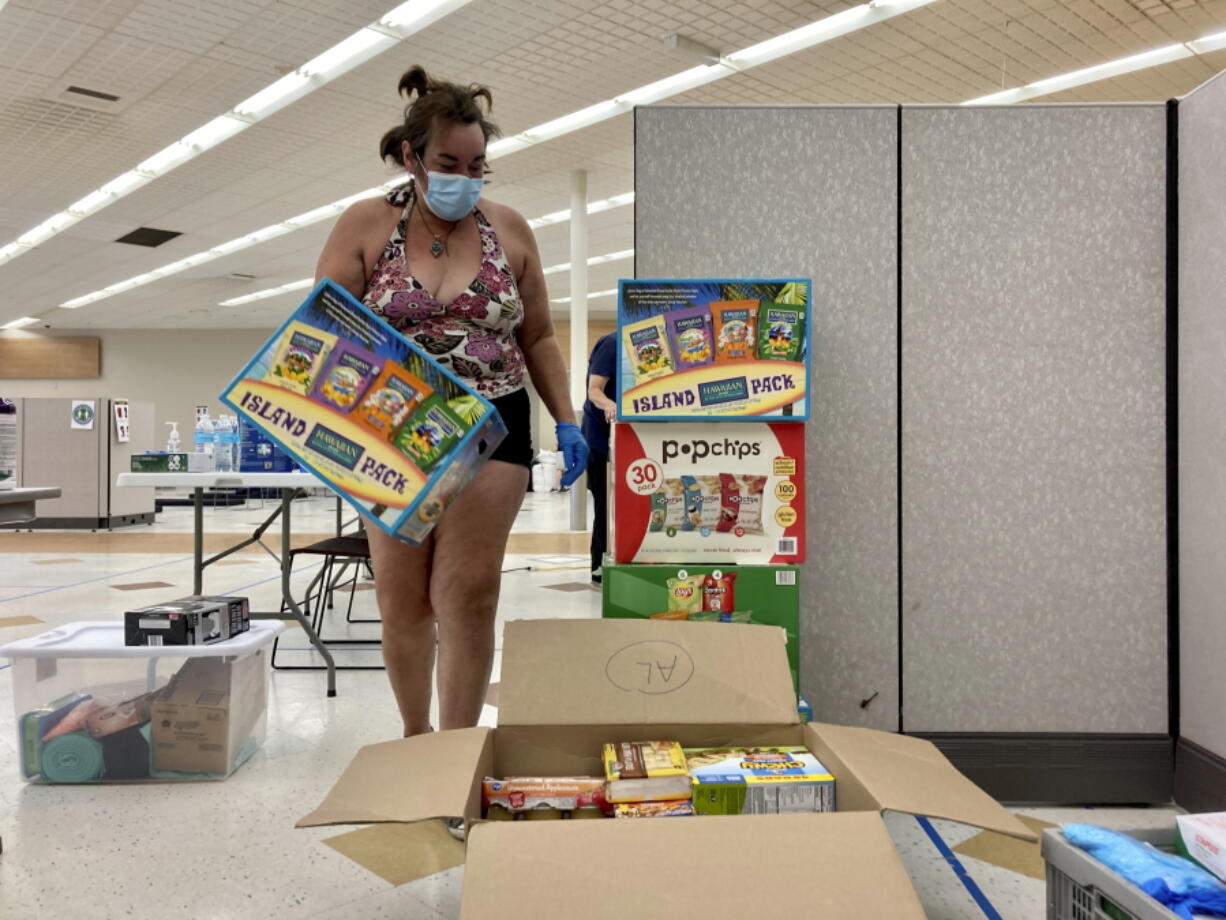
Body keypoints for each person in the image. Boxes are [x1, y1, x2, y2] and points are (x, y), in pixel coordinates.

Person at [314, 65, 588, 738]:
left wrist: (568, 419)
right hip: (389, 430)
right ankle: (416, 738)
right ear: (411, 156)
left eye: (478, 164)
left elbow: (540, 336)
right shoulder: (365, 224)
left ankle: (457, 748)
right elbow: (321, 328)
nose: (464, 176)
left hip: (492, 427)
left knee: (467, 594)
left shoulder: (511, 229)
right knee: (402, 599)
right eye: (447, 162)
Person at [580, 332, 616, 584]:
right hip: (601, 441)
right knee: (605, 505)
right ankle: (599, 568)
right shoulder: (613, 344)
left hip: (632, 439)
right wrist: (610, 405)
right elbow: (594, 390)